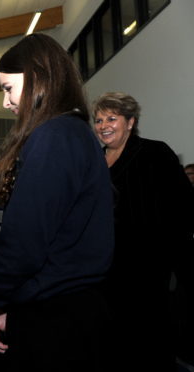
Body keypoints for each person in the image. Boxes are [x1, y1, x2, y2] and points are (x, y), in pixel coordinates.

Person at [0, 34, 114, 372]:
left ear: (37, 78)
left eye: (9, 88)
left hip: (56, 321)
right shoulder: (76, 131)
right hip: (73, 308)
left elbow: (24, 243)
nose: (6, 101)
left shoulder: (53, 136)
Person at [92, 91, 194, 371]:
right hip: (104, 269)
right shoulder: (93, 162)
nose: (103, 125)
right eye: (98, 120)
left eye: (112, 118)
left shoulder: (154, 152)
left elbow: (183, 205)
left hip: (145, 267)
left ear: (130, 122)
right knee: (112, 344)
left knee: (147, 343)